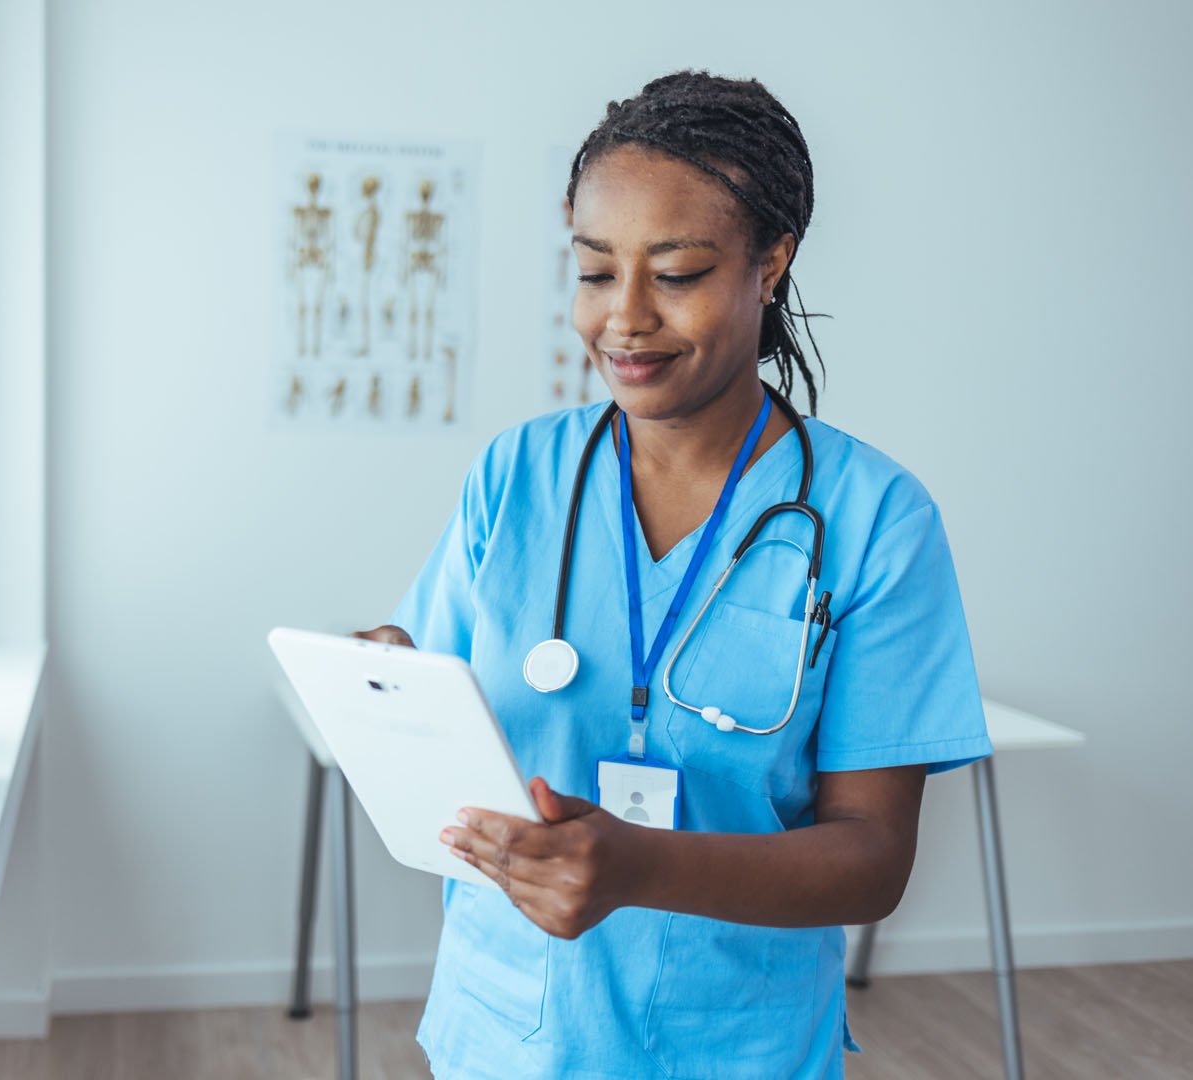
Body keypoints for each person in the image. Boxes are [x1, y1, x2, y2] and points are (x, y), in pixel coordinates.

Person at [356, 71, 992, 1080]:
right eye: (595, 271)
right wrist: (385, 678)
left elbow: (871, 857)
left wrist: (639, 866)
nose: (624, 319)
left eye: (679, 272)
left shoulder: (875, 521)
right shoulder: (517, 474)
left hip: (733, 1043)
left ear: (768, 264)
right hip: (508, 1028)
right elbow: (436, 704)